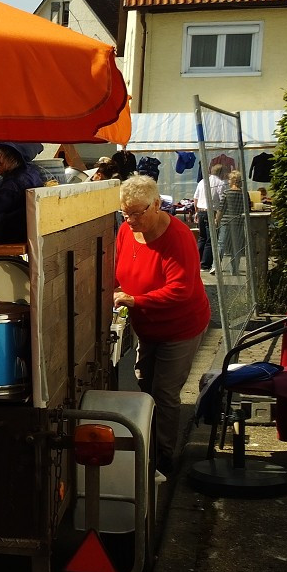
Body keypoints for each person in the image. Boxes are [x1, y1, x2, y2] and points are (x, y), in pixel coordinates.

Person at [113, 175, 210, 476]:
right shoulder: (127, 231)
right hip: (148, 324)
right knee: (145, 383)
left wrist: (133, 299)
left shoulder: (178, 237)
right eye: (125, 213)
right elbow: (118, 268)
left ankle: (165, 456)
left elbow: (181, 290)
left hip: (180, 326)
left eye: (137, 213)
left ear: (156, 204)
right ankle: (148, 442)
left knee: (165, 391)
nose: (129, 220)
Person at [217, 170, 250, 276]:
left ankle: (216, 267)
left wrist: (217, 220)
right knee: (236, 246)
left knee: (221, 244)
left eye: (229, 179)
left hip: (226, 222)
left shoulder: (227, 193)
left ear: (233, 180)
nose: (228, 181)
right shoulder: (245, 194)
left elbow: (221, 209)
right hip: (239, 222)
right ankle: (234, 269)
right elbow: (248, 208)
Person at [193, 164, 225, 271]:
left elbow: (195, 199)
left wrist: (196, 212)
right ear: (221, 173)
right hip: (211, 212)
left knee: (202, 237)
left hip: (201, 211)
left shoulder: (202, 182)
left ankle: (196, 261)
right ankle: (205, 264)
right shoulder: (220, 183)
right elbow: (222, 200)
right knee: (211, 239)